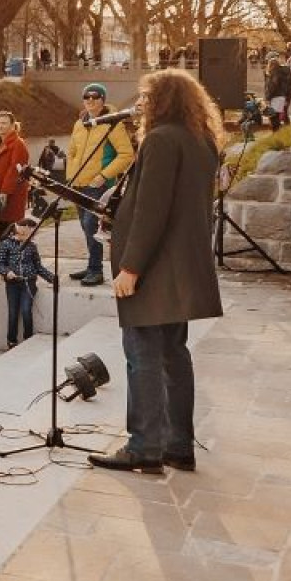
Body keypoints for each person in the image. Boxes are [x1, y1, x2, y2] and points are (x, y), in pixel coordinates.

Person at [89, 71, 225, 474]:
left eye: (148, 96)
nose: (142, 103)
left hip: (156, 268)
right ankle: (178, 446)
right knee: (173, 354)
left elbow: (152, 209)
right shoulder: (201, 139)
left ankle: (144, 447)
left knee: (142, 354)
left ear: (163, 100)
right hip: (180, 266)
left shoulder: (163, 139)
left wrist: (131, 267)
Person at [65, 83, 135, 288]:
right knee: (85, 226)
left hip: (98, 186)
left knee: (91, 225)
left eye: (95, 97)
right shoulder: (80, 123)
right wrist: (71, 177)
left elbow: (126, 154)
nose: (90, 101)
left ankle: (96, 270)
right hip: (78, 184)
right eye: (87, 97)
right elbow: (72, 152)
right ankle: (91, 265)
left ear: (103, 100)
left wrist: (104, 176)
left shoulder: (111, 124)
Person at [0, 219, 54, 348]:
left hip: (28, 282)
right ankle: (11, 340)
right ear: (22, 229)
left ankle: (28, 339)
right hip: (12, 284)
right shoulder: (6, 244)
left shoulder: (32, 246)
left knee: (26, 310)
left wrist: (52, 278)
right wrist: (7, 272)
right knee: (13, 312)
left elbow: (38, 267)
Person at [0, 110, 31, 225]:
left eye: (4, 123)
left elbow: (14, 170)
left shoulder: (18, 144)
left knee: (9, 226)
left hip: (10, 193)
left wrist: (5, 191)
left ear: (12, 125)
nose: (0, 126)